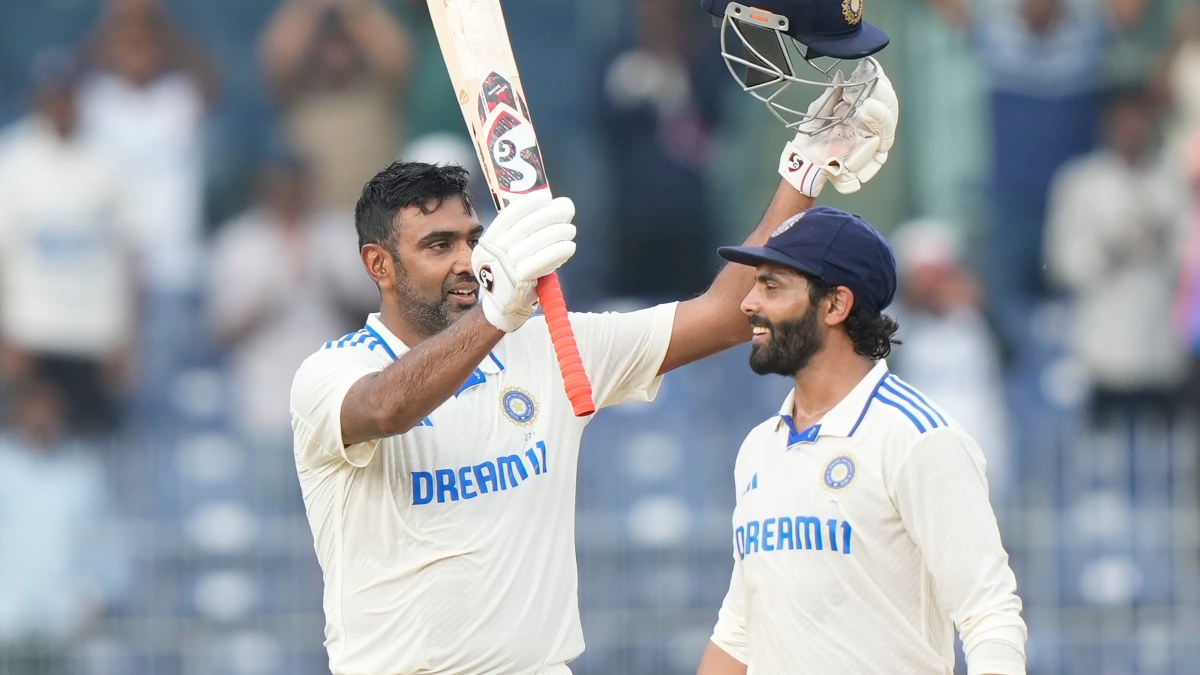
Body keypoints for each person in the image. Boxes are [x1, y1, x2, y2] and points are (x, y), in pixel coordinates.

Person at [289, 2, 896, 672]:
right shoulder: (330, 377)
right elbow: (385, 408)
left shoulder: (547, 344)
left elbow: (727, 311)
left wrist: (803, 173)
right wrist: (496, 316)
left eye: (471, 239)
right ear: (379, 265)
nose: (466, 261)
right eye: (437, 246)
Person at [696, 207, 1027, 674]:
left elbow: (989, 615)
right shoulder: (759, 446)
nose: (748, 303)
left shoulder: (917, 438)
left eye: (771, 286)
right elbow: (739, 631)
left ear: (835, 305)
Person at [208, 151, 376, 510]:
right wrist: (273, 287)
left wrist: (323, 278)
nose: (287, 193)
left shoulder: (339, 235)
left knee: (338, 511)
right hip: (265, 401)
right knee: (273, 513)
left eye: (293, 183)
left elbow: (372, 313)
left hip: (334, 400)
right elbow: (223, 328)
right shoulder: (239, 242)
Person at [0, 50, 139, 437]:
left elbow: (129, 255)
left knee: (94, 444)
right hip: (32, 333)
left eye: (69, 94)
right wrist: (5, 337)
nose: (61, 104)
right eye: (53, 94)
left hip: (93, 336)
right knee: (26, 447)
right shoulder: (12, 160)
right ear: (38, 99)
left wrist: (126, 339)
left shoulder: (109, 160)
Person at [259, 0, 412, 211]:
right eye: (329, 44)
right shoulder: (298, 95)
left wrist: (355, 8)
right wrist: (311, 7)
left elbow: (396, 56)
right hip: (316, 227)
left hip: (379, 214)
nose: (337, 54)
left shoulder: (378, 92)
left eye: (343, 44)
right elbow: (278, 58)